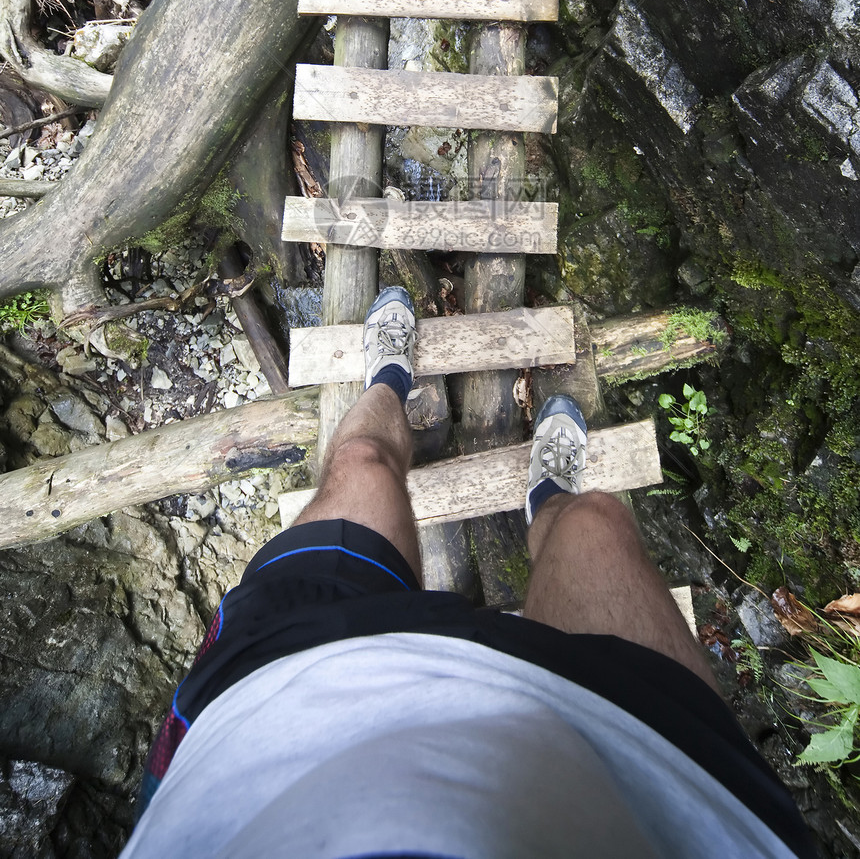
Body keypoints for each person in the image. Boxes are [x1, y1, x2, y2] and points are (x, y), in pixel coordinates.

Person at [122, 287, 813, 858]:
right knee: (598, 524)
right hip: (657, 782)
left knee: (362, 459)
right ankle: (551, 497)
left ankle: (389, 378)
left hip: (279, 701)